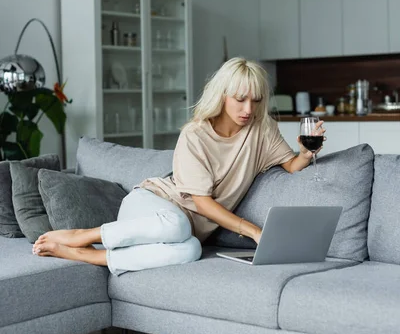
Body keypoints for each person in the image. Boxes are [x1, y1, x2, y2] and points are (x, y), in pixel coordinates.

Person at [32, 58, 325, 275]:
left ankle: (81, 255)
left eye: (255, 100)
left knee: (192, 249)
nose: (248, 109)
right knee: (178, 224)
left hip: (184, 232)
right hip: (151, 204)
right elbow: (202, 203)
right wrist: (253, 231)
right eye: (240, 99)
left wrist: (304, 153)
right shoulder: (195, 135)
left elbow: (290, 165)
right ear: (223, 95)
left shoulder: (262, 130)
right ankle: (83, 235)